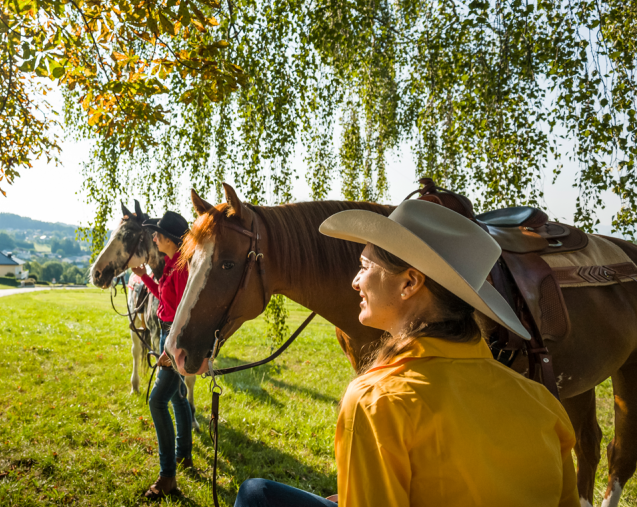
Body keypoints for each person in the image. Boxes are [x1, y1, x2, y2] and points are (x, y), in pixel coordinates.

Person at [233, 200, 579, 507]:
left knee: (255, 496)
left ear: (409, 283)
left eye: (365, 266)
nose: (355, 281)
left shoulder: (377, 401)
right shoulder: (542, 404)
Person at [131, 210, 194, 500]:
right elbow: (164, 296)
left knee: (157, 401)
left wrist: (173, 346)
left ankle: (167, 476)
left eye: (157, 233)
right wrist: (145, 277)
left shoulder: (182, 268)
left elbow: (186, 310)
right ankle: (184, 454)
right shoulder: (170, 264)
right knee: (179, 396)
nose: (153, 236)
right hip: (168, 330)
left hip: (175, 334)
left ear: (169, 238)